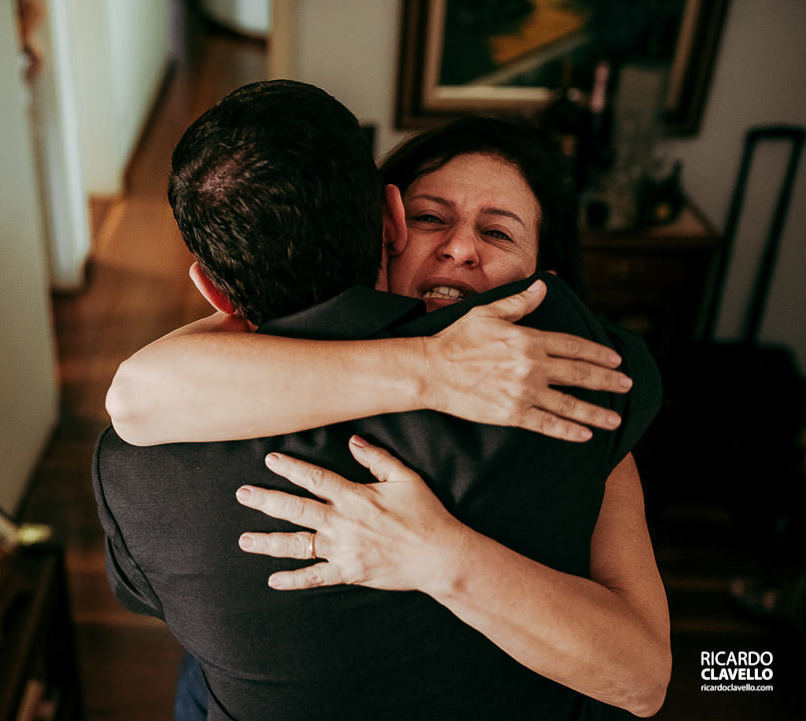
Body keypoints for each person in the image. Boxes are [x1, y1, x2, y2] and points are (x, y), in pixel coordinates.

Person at [94, 80, 669, 720]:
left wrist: (441, 557)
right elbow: (139, 390)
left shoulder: (571, 385)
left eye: (500, 234)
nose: (460, 247)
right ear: (389, 226)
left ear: (549, 282)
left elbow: (642, 679)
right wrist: (431, 366)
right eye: (431, 218)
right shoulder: (204, 391)